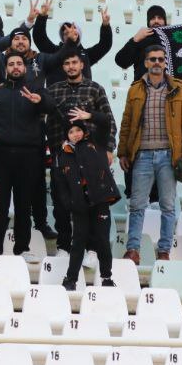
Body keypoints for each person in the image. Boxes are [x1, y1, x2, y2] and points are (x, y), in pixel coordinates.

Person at [117, 44, 182, 263]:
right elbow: (126, 123)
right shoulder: (135, 89)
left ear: (165, 63)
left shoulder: (180, 89)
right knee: (137, 205)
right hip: (141, 154)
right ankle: (133, 250)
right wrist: (123, 152)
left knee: (168, 206)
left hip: (168, 156)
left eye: (160, 59)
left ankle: (164, 251)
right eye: (152, 59)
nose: (156, 63)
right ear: (145, 63)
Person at [0, 51, 54, 255]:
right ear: (5, 69)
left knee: (24, 205)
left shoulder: (36, 91)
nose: (16, 67)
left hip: (28, 157)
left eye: (19, 63)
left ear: (25, 68)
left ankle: (23, 248)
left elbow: (53, 108)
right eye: (11, 64)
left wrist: (40, 101)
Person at [44, 52, 116, 247]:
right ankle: (64, 246)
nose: (70, 66)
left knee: (92, 203)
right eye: (66, 63)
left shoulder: (95, 89)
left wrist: (108, 149)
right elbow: (44, 121)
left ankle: (92, 248)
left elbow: (108, 121)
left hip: (90, 159)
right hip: (62, 157)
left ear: (82, 64)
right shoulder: (53, 90)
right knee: (61, 205)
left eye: (74, 62)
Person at [54, 122, 119, 290]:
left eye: (78, 130)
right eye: (71, 131)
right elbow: (61, 184)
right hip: (79, 205)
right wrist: (70, 203)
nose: (75, 134)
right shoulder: (62, 155)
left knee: (102, 241)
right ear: (66, 135)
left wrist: (90, 116)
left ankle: (106, 278)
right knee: (78, 242)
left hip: (100, 202)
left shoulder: (96, 143)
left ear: (84, 131)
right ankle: (71, 280)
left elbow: (104, 122)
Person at [31, 1, 113, 86]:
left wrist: (106, 25)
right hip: (55, 97)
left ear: (78, 35)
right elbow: (39, 38)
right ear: (62, 37)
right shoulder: (53, 52)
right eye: (66, 33)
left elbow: (105, 45)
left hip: (83, 97)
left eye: (73, 32)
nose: (69, 35)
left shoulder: (86, 55)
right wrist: (42, 17)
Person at [114, 5, 168, 82]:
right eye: (153, 18)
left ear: (165, 21)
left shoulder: (172, 40)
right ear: (148, 22)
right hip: (142, 91)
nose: (156, 21)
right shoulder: (140, 39)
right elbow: (121, 61)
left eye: (160, 18)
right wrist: (135, 40)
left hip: (168, 91)